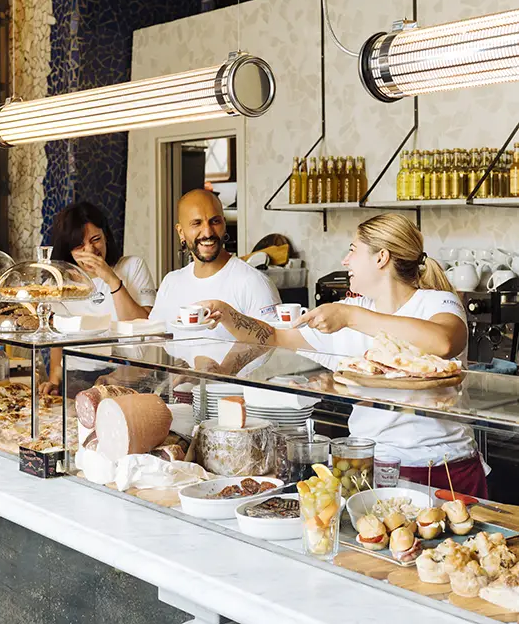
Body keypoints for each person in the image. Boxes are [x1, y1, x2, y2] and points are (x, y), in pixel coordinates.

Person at [200, 213, 487, 497]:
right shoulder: (352, 312)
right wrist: (228, 315)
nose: (344, 261)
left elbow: (444, 341)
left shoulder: (436, 301)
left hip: (443, 469)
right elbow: (275, 336)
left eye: (352, 251)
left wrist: (351, 315)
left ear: (381, 257)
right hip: (371, 467)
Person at [40, 200, 156, 394]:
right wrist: (54, 380)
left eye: (95, 239)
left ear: (106, 237)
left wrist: (110, 278)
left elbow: (143, 325)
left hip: (125, 374)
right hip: (74, 377)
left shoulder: (132, 267)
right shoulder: (58, 282)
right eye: (79, 245)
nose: (90, 251)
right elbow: (57, 339)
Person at [150, 189, 280, 345]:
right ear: (181, 232)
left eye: (215, 221)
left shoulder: (254, 282)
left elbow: (275, 344)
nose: (207, 232)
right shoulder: (170, 282)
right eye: (196, 223)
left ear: (224, 224)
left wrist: (228, 314)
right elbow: (154, 340)